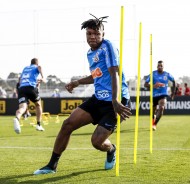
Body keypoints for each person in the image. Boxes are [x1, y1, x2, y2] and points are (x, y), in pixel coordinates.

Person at [33, 14, 131, 175]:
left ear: (103, 34)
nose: (92, 37)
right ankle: (52, 166)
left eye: (96, 33)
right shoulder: (89, 53)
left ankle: (111, 149)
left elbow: (115, 74)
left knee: (96, 142)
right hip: (99, 98)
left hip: (115, 100)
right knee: (67, 124)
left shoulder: (109, 47)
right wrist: (77, 82)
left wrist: (115, 101)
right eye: (89, 33)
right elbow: (97, 75)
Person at [13, 58, 44, 134]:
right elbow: (39, 67)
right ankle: (38, 124)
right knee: (38, 104)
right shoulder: (36, 66)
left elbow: (20, 79)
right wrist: (42, 76)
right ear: (36, 63)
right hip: (30, 88)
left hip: (22, 88)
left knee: (23, 107)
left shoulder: (25, 68)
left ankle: (17, 118)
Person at [144, 60, 175, 131]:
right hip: (154, 95)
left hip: (163, 94)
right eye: (159, 66)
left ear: (163, 67)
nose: (160, 67)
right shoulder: (153, 74)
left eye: (161, 66)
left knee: (162, 107)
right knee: (153, 111)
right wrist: (153, 85)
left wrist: (173, 92)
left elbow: (173, 81)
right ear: (157, 66)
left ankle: (154, 124)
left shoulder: (167, 74)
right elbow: (145, 84)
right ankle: (153, 120)